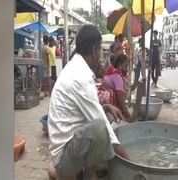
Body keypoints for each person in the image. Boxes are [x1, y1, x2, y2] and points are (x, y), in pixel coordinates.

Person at [48, 25, 129, 180]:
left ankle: (89, 172)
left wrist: (105, 106)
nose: (100, 56)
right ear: (94, 50)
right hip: (63, 160)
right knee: (100, 128)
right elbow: (105, 129)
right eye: (99, 51)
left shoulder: (76, 67)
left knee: (107, 119)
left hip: (70, 145)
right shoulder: (80, 77)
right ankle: (86, 175)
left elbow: (87, 111)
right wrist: (131, 162)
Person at [103, 54, 131, 120]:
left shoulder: (112, 72)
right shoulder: (118, 77)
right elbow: (121, 102)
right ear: (119, 65)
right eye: (125, 66)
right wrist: (130, 117)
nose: (127, 69)